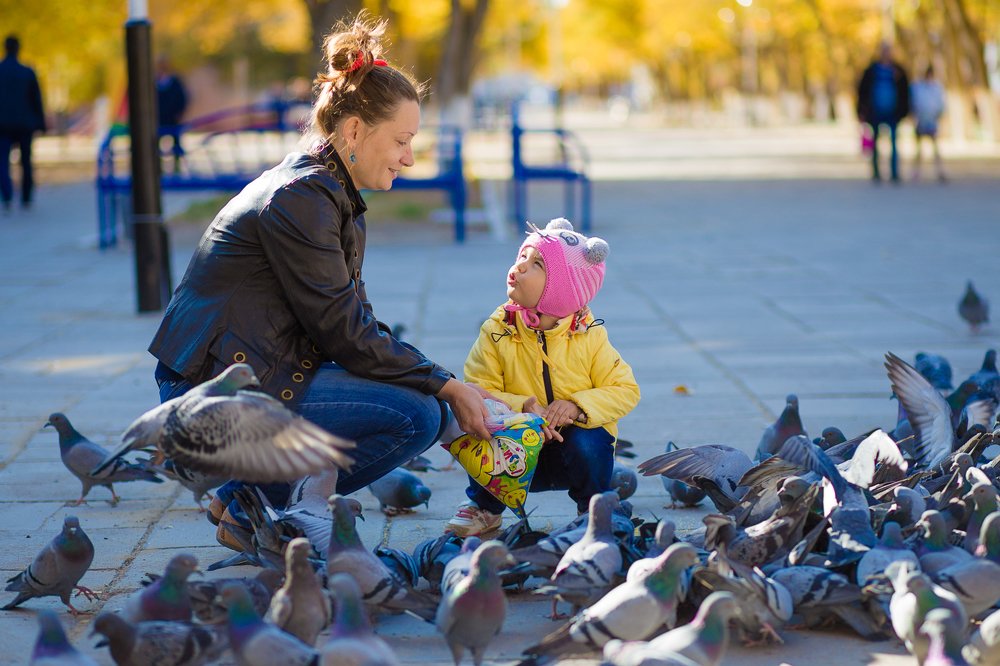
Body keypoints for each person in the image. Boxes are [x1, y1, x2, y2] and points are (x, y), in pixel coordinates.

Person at [148, 15, 491, 528]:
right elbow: (345, 334)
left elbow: (357, 324)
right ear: (354, 129)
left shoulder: (330, 192)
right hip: (210, 395)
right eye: (401, 140)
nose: (410, 158)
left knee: (430, 406)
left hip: (259, 375)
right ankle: (258, 504)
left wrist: (447, 385)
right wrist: (444, 385)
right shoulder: (302, 198)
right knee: (415, 416)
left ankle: (245, 499)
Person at [445, 217, 641, 537]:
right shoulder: (498, 329)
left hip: (570, 448)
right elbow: (477, 387)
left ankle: (593, 507)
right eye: (522, 256)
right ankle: (485, 508)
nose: (520, 266)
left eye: (536, 264)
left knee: (591, 440)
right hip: (516, 449)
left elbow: (625, 389)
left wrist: (578, 406)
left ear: (561, 291)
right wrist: (521, 406)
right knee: (476, 424)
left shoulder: (589, 336)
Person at [0, 35, 46, 211]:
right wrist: (40, 123)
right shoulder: (27, 72)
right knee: (26, 161)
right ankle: (26, 197)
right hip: (24, 124)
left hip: (2, 125)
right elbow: (37, 100)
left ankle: (7, 195)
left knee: (2, 161)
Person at [857, 41, 910, 184]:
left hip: (893, 112)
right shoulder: (872, 70)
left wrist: (905, 111)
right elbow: (862, 91)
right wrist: (861, 111)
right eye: (884, 51)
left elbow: (905, 92)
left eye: (889, 51)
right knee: (875, 143)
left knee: (894, 142)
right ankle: (876, 172)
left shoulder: (898, 71)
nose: (887, 54)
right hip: (875, 112)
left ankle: (894, 172)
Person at [910, 64, 946, 182]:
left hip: (932, 121)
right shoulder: (918, 87)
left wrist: (938, 115)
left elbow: (940, 104)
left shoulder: (936, 87)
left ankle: (940, 171)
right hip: (921, 121)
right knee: (919, 148)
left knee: (935, 148)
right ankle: (916, 172)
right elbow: (914, 103)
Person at [156, 55, 188, 173]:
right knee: (155, 143)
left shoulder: (174, 82)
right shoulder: (154, 82)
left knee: (176, 142)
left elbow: (182, 98)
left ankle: (177, 166)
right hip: (159, 119)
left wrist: (179, 113)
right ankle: (157, 167)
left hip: (173, 118)